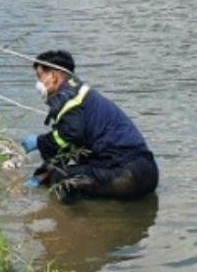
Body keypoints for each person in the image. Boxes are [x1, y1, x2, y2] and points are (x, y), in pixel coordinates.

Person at [21, 50, 159, 202]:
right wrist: (41, 175)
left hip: (126, 174)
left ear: (55, 76)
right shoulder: (80, 95)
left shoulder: (70, 102)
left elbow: (67, 136)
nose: (38, 83)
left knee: (61, 180)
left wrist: (39, 142)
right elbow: (66, 149)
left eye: (40, 76)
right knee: (61, 174)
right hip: (146, 174)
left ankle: (80, 222)